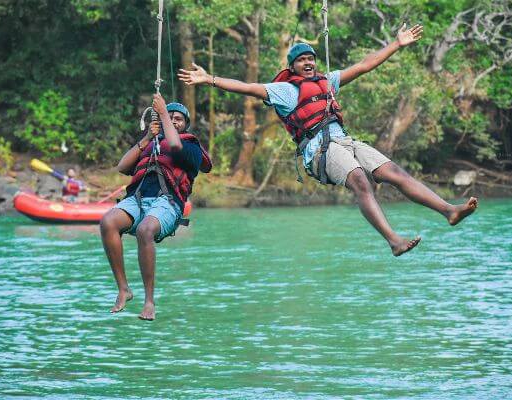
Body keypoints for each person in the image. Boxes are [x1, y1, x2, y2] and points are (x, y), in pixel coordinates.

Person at [178, 23, 477, 257]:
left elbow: (363, 66)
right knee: (360, 180)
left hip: (345, 142)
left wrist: (396, 45)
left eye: (311, 59)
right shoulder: (286, 91)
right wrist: (210, 79)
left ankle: (449, 210)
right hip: (318, 151)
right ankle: (394, 241)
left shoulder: (327, 81)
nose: (309, 63)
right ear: (293, 66)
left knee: (394, 172)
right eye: (302, 60)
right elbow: (248, 87)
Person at [100, 94, 212, 320]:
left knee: (145, 230)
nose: (173, 120)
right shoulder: (151, 144)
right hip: (139, 199)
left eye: (178, 118)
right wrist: (146, 138)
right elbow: (123, 166)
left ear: (185, 124)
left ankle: (149, 301)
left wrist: (162, 113)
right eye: (169, 117)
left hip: (168, 202)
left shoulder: (190, 146)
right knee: (108, 222)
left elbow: (174, 143)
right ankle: (124, 289)